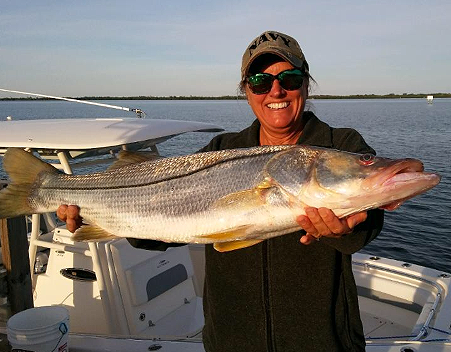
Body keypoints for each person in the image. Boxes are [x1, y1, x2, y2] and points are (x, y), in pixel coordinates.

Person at [58, 31, 390, 351]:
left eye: (289, 78)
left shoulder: (340, 145)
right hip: (232, 338)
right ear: (246, 90)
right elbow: (159, 232)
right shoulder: (220, 149)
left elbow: (364, 225)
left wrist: (349, 228)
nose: (276, 91)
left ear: (305, 83)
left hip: (323, 341)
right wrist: (92, 213)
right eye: (260, 82)